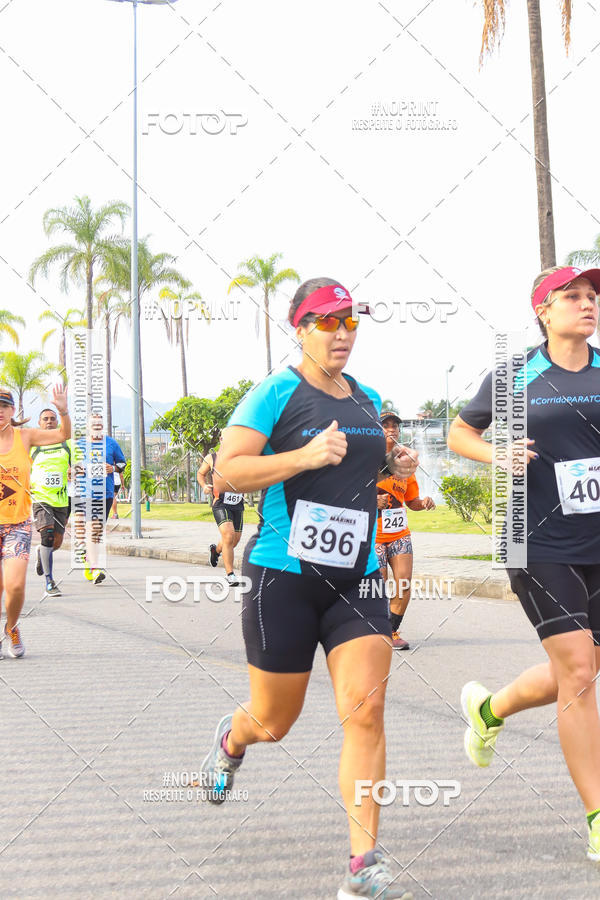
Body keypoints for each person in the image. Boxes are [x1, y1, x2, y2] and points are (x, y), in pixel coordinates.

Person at [200, 278, 418, 899]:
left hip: (358, 577)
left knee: (366, 710)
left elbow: (363, 462)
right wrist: (302, 457)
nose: (343, 332)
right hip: (283, 578)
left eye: (351, 320)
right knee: (273, 720)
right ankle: (231, 739)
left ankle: (362, 866)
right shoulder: (274, 392)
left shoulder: (367, 397)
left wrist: (392, 465)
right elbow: (229, 469)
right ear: (300, 328)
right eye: (328, 321)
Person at [447, 265, 600, 861]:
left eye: (592, 296)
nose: (586, 304)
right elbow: (460, 432)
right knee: (581, 671)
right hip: (536, 541)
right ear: (543, 309)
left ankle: (490, 709)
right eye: (572, 297)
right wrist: (495, 452)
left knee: (580, 669)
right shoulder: (517, 374)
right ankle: (596, 817)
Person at [0, 385, 70, 659]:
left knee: (15, 585)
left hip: (17, 524)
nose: (0, 412)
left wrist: (62, 410)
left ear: (13, 410)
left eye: (4, 407)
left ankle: (12, 626)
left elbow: (63, 434)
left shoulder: (25, 436)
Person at [376, 412, 435, 650]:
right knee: (377, 586)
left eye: (395, 426)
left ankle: (391, 631)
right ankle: (373, 631)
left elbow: (411, 500)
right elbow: (350, 492)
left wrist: (424, 503)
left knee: (404, 584)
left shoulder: (404, 461)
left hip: (400, 533)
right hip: (373, 535)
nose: (392, 429)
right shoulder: (367, 458)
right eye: (386, 425)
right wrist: (372, 501)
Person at [73, 414, 126, 584]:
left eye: (99, 423)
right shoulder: (80, 445)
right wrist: (83, 469)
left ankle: (88, 559)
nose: (96, 425)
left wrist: (113, 468)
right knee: (93, 529)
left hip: (107, 493)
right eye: (93, 423)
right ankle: (95, 568)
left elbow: (123, 463)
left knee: (97, 531)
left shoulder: (111, 443)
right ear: (88, 426)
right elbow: (71, 467)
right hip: (86, 492)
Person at [30, 407, 72, 597]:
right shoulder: (32, 445)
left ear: (58, 422)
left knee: (56, 542)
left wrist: (75, 471)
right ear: (39, 423)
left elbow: (79, 464)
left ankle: (42, 553)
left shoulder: (67, 443)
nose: (49, 422)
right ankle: (49, 581)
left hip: (61, 499)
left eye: (53, 419)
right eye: (45, 419)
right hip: (40, 497)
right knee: (47, 535)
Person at [197, 445, 244, 586]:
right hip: (221, 504)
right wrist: (204, 486)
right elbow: (200, 474)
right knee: (228, 536)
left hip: (238, 504)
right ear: (221, 440)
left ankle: (215, 551)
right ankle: (230, 575)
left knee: (233, 541)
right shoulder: (212, 458)